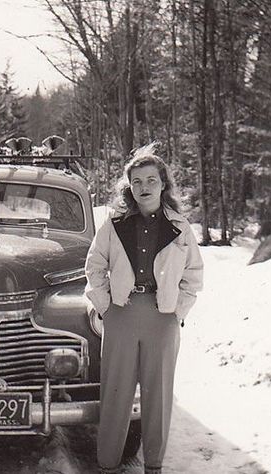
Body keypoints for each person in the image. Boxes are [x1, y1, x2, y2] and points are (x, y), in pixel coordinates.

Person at [85, 144, 204, 474]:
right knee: (115, 395)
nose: (144, 187)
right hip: (121, 314)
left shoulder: (180, 227)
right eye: (137, 182)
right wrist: (106, 306)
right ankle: (107, 465)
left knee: (158, 396)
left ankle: (154, 466)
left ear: (163, 184)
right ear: (129, 187)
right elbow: (94, 265)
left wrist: (177, 312)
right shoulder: (115, 224)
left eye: (151, 180)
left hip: (162, 317)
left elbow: (194, 274)